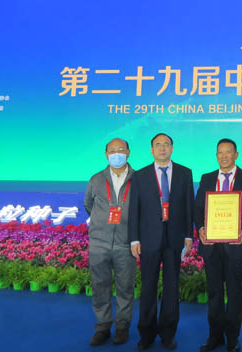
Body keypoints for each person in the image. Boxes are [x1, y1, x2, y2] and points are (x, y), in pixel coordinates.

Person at [195, 138, 242, 352]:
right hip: (211, 246)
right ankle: (214, 336)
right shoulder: (206, 178)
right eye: (220, 152)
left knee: (234, 293)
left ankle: (233, 338)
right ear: (216, 156)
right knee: (214, 293)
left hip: (235, 244)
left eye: (228, 152)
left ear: (236, 155)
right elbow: (198, 209)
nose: (224, 156)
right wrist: (201, 228)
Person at [129, 133, 194, 350]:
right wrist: (134, 239)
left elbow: (188, 206)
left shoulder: (185, 173)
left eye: (166, 144)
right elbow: (134, 209)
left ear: (172, 148)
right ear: (151, 150)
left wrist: (188, 235)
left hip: (175, 238)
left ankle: (168, 333)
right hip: (148, 239)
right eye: (158, 145)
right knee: (148, 287)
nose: (162, 148)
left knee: (171, 287)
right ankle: (146, 333)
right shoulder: (140, 176)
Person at [84, 137, 137, 345]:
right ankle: (103, 327)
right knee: (99, 286)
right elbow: (88, 205)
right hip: (99, 243)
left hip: (126, 243)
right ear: (106, 155)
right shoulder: (96, 179)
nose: (117, 154)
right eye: (112, 151)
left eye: (121, 150)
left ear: (128, 152)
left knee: (125, 288)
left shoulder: (138, 178)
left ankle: (122, 327)